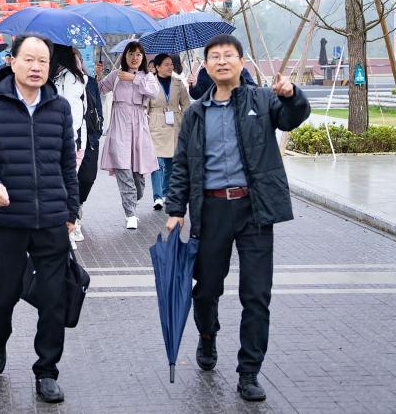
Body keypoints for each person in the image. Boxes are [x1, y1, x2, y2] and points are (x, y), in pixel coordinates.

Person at [165, 34, 310, 403]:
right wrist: (175, 211)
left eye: (229, 55)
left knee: (256, 294)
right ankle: (208, 335)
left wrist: (292, 94)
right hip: (211, 211)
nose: (222, 61)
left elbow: (293, 118)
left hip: (254, 209)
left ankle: (249, 372)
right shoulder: (196, 113)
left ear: (241, 63)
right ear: (206, 67)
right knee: (207, 288)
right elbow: (181, 165)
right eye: (215, 57)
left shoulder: (263, 100)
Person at [0, 34, 78, 404]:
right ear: (11, 61)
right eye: (28, 59)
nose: (35, 67)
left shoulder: (59, 107)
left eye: (43, 61)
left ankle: (47, 370)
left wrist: (71, 212)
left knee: (54, 297)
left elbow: (67, 165)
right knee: (3, 294)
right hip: (7, 219)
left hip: (51, 219)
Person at [99, 40, 160, 229]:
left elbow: (154, 93)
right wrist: (99, 76)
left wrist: (134, 79)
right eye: (131, 54)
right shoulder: (116, 75)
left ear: (142, 58)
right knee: (123, 167)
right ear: (125, 56)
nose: (135, 57)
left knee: (138, 177)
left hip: (139, 125)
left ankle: (133, 199)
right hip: (119, 123)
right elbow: (101, 88)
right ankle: (130, 214)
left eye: (138, 54)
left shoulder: (147, 76)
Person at [49, 46, 86, 244]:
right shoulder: (58, 77)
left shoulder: (70, 78)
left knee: (65, 183)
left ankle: (70, 228)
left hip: (68, 141)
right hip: (65, 140)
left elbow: (75, 112)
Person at [146, 53, 191, 211]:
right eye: (166, 64)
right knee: (156, 163)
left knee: (172, 163)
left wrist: (186, 123)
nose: (170, 67)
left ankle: (166, 193)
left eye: (171, 64)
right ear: (157, 67)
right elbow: (145, 106)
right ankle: (157, 197)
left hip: (174, 125)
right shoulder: (149, 82)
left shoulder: (178, 83)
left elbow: (186, 105)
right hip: (156, 124)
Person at [74, 54, 104, 243]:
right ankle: (74, 217)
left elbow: (98, 109)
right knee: (71, 179)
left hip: (90, 137)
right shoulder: (56, 81)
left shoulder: (90, 82)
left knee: (88, 177)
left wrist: (97, 132)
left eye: (77, 59)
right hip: (71, 139)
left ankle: (78, 203)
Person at [189, 63, 256, 100]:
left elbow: (253, 89)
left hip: (238, 108)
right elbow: (198, 96)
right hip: (213, 111)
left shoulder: (239, 70)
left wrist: (237, 79)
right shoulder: (204, 72)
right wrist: (194, 85)